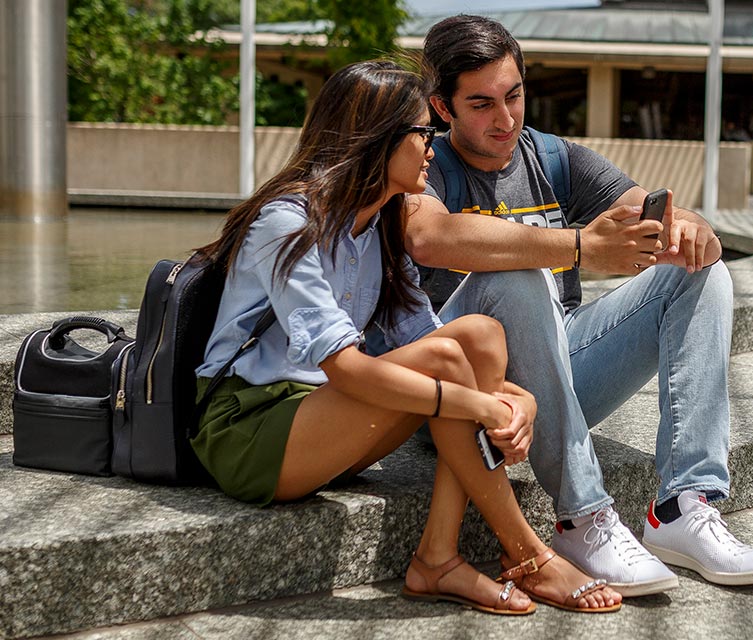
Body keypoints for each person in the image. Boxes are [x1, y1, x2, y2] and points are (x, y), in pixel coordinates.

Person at [192, 60, 621, 615]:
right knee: (451, 359)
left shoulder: (380, 226)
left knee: (481, 337)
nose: (432, 146)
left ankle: (437, 557)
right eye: (423, 132)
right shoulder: (288, 222)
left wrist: (520, 398)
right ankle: (529, 555)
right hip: (252, 430)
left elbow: (435, 339)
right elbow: (345, 368)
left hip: (325, 421)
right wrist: (479, 404)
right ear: (377, 140)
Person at [408, 15, 753, 596]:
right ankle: (582, 518)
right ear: (442, 106)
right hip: (463, 400)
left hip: (561, 367)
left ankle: (685, 504)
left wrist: (690, 232)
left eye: (514, 96)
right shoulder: (423, 164)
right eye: (481, 104)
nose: (505, 119)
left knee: (702, 273)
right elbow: (428, 236)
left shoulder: (555, 159)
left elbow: (653, 211)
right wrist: (581, 245)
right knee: (519, 275)